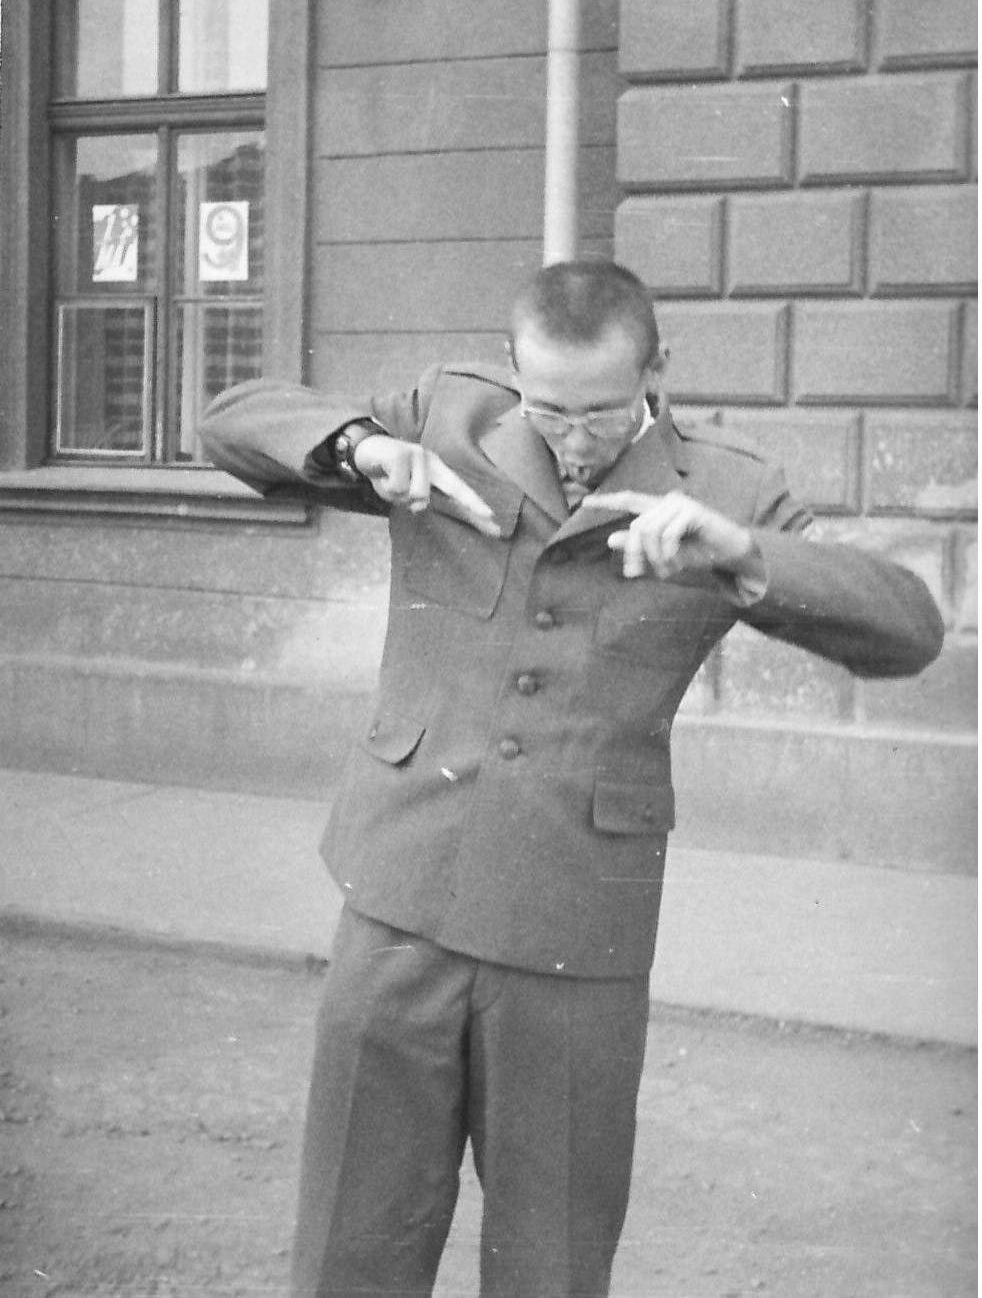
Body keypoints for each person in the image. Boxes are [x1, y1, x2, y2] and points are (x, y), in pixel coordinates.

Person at [199, 260, 943, 1298]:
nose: (573, 439)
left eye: (599, 412)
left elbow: (909, 629)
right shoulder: (445, 417)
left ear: (656, 369)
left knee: (550, 1259)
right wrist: (362, 447)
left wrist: (741, 552)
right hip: (401, 899)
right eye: (548, 408)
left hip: (574, 928)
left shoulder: (726, 489)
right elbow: (232, 420)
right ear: (512, 367)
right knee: (350, 1244)